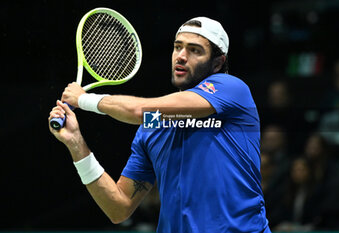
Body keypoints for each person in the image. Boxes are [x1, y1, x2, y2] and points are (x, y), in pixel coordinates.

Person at [49, 16, 271, 233]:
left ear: (217, 62)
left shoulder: (232, 89)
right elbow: (118, 208)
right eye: (177, 47)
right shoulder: (152, 126)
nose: (181, 56)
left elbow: (138, 111)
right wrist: (76, 143)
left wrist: (84, 99)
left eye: (194, 50)